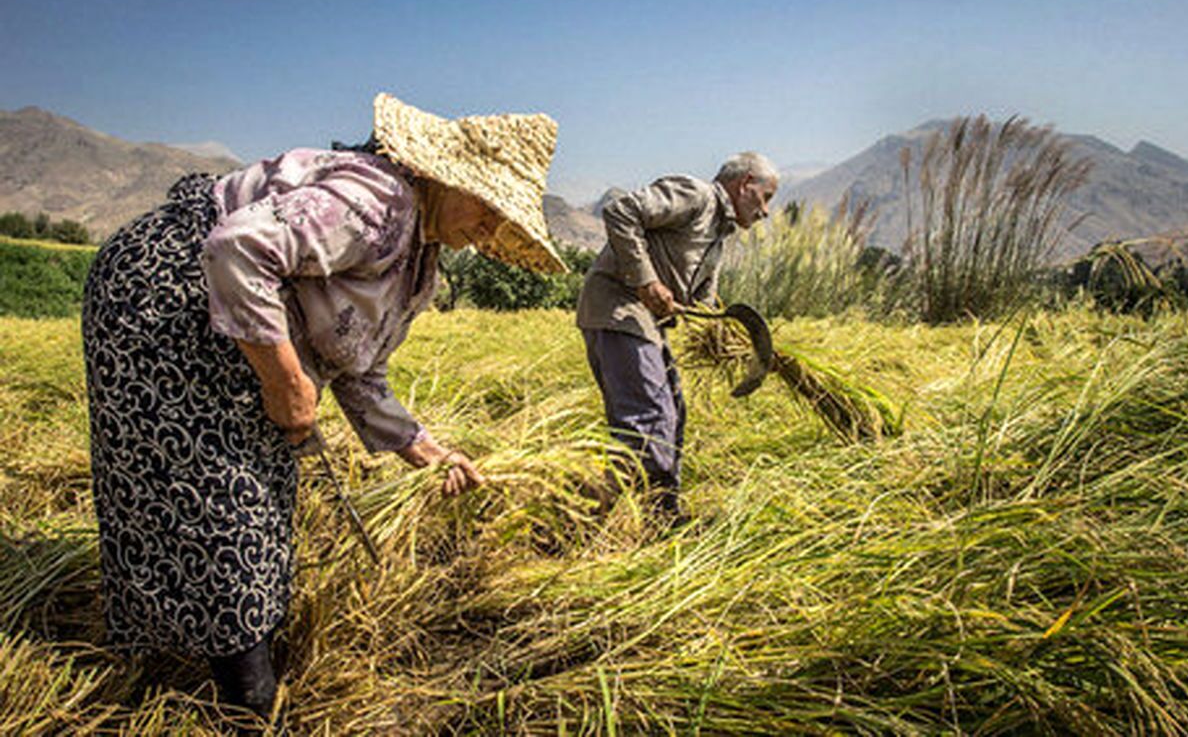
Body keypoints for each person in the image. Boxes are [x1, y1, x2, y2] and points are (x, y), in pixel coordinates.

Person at [81, 93, 565, 721]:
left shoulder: (419, 258)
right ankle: (240, 696)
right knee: (219, 496)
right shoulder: (378, 202)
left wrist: (426, 449)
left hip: (221, 313)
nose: (490, 231)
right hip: (165, 297)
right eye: (488, 208)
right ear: (447, 178)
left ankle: (202, 665)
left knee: (253, 492)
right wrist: (284, 381)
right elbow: (237, 248)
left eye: (505, 223)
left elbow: (359, 368)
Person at [576, 152, 778, 522]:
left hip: (646, 324)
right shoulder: (695, 195)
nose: (766, 211)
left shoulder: (719, 233)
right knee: (649, 418)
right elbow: (621, 211)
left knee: (673, 415)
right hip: (620, 310)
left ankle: (661, 512)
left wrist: (731, 341)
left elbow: (701, 304)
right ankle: (587, 516)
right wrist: (647, 280)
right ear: (745, 183)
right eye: (766, 197)